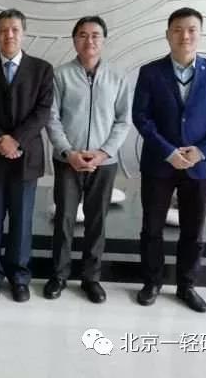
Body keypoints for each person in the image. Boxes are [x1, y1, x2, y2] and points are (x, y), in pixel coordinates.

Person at [133, 7, 206, 313]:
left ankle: (186, 286)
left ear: (200, 34)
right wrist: (169, 151)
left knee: (194, 230)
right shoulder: (150, 72)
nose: (185, 36)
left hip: (200, 165)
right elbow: (141, 117)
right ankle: (152, 282)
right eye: (178, 30)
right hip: (159, 163)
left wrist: (202, 150)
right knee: (152, 228)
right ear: (168, 35)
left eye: (191, 29)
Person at [44, 16, 131, 303]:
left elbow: (123, 120)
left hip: (103, 163)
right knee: (64, 219)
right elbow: (52, 118)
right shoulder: (60, 75)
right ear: (74, 40)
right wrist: (69, 152)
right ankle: (58, 275)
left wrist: (103, 152)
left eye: (95, 35)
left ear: (103, 40)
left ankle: (91, 278)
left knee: (97, 221)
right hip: (67, 161)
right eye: (82, 35)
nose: (89, 40)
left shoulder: (118, 77)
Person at [0, 9, 53, 302]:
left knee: (22, 222)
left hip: (26, 158)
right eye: (3, 30)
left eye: (15, 29)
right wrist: (0, 139)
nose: (9, 35)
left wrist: (15, 139)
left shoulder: (42, 69)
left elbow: (42, 111)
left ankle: (19, 277)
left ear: (23, 33)